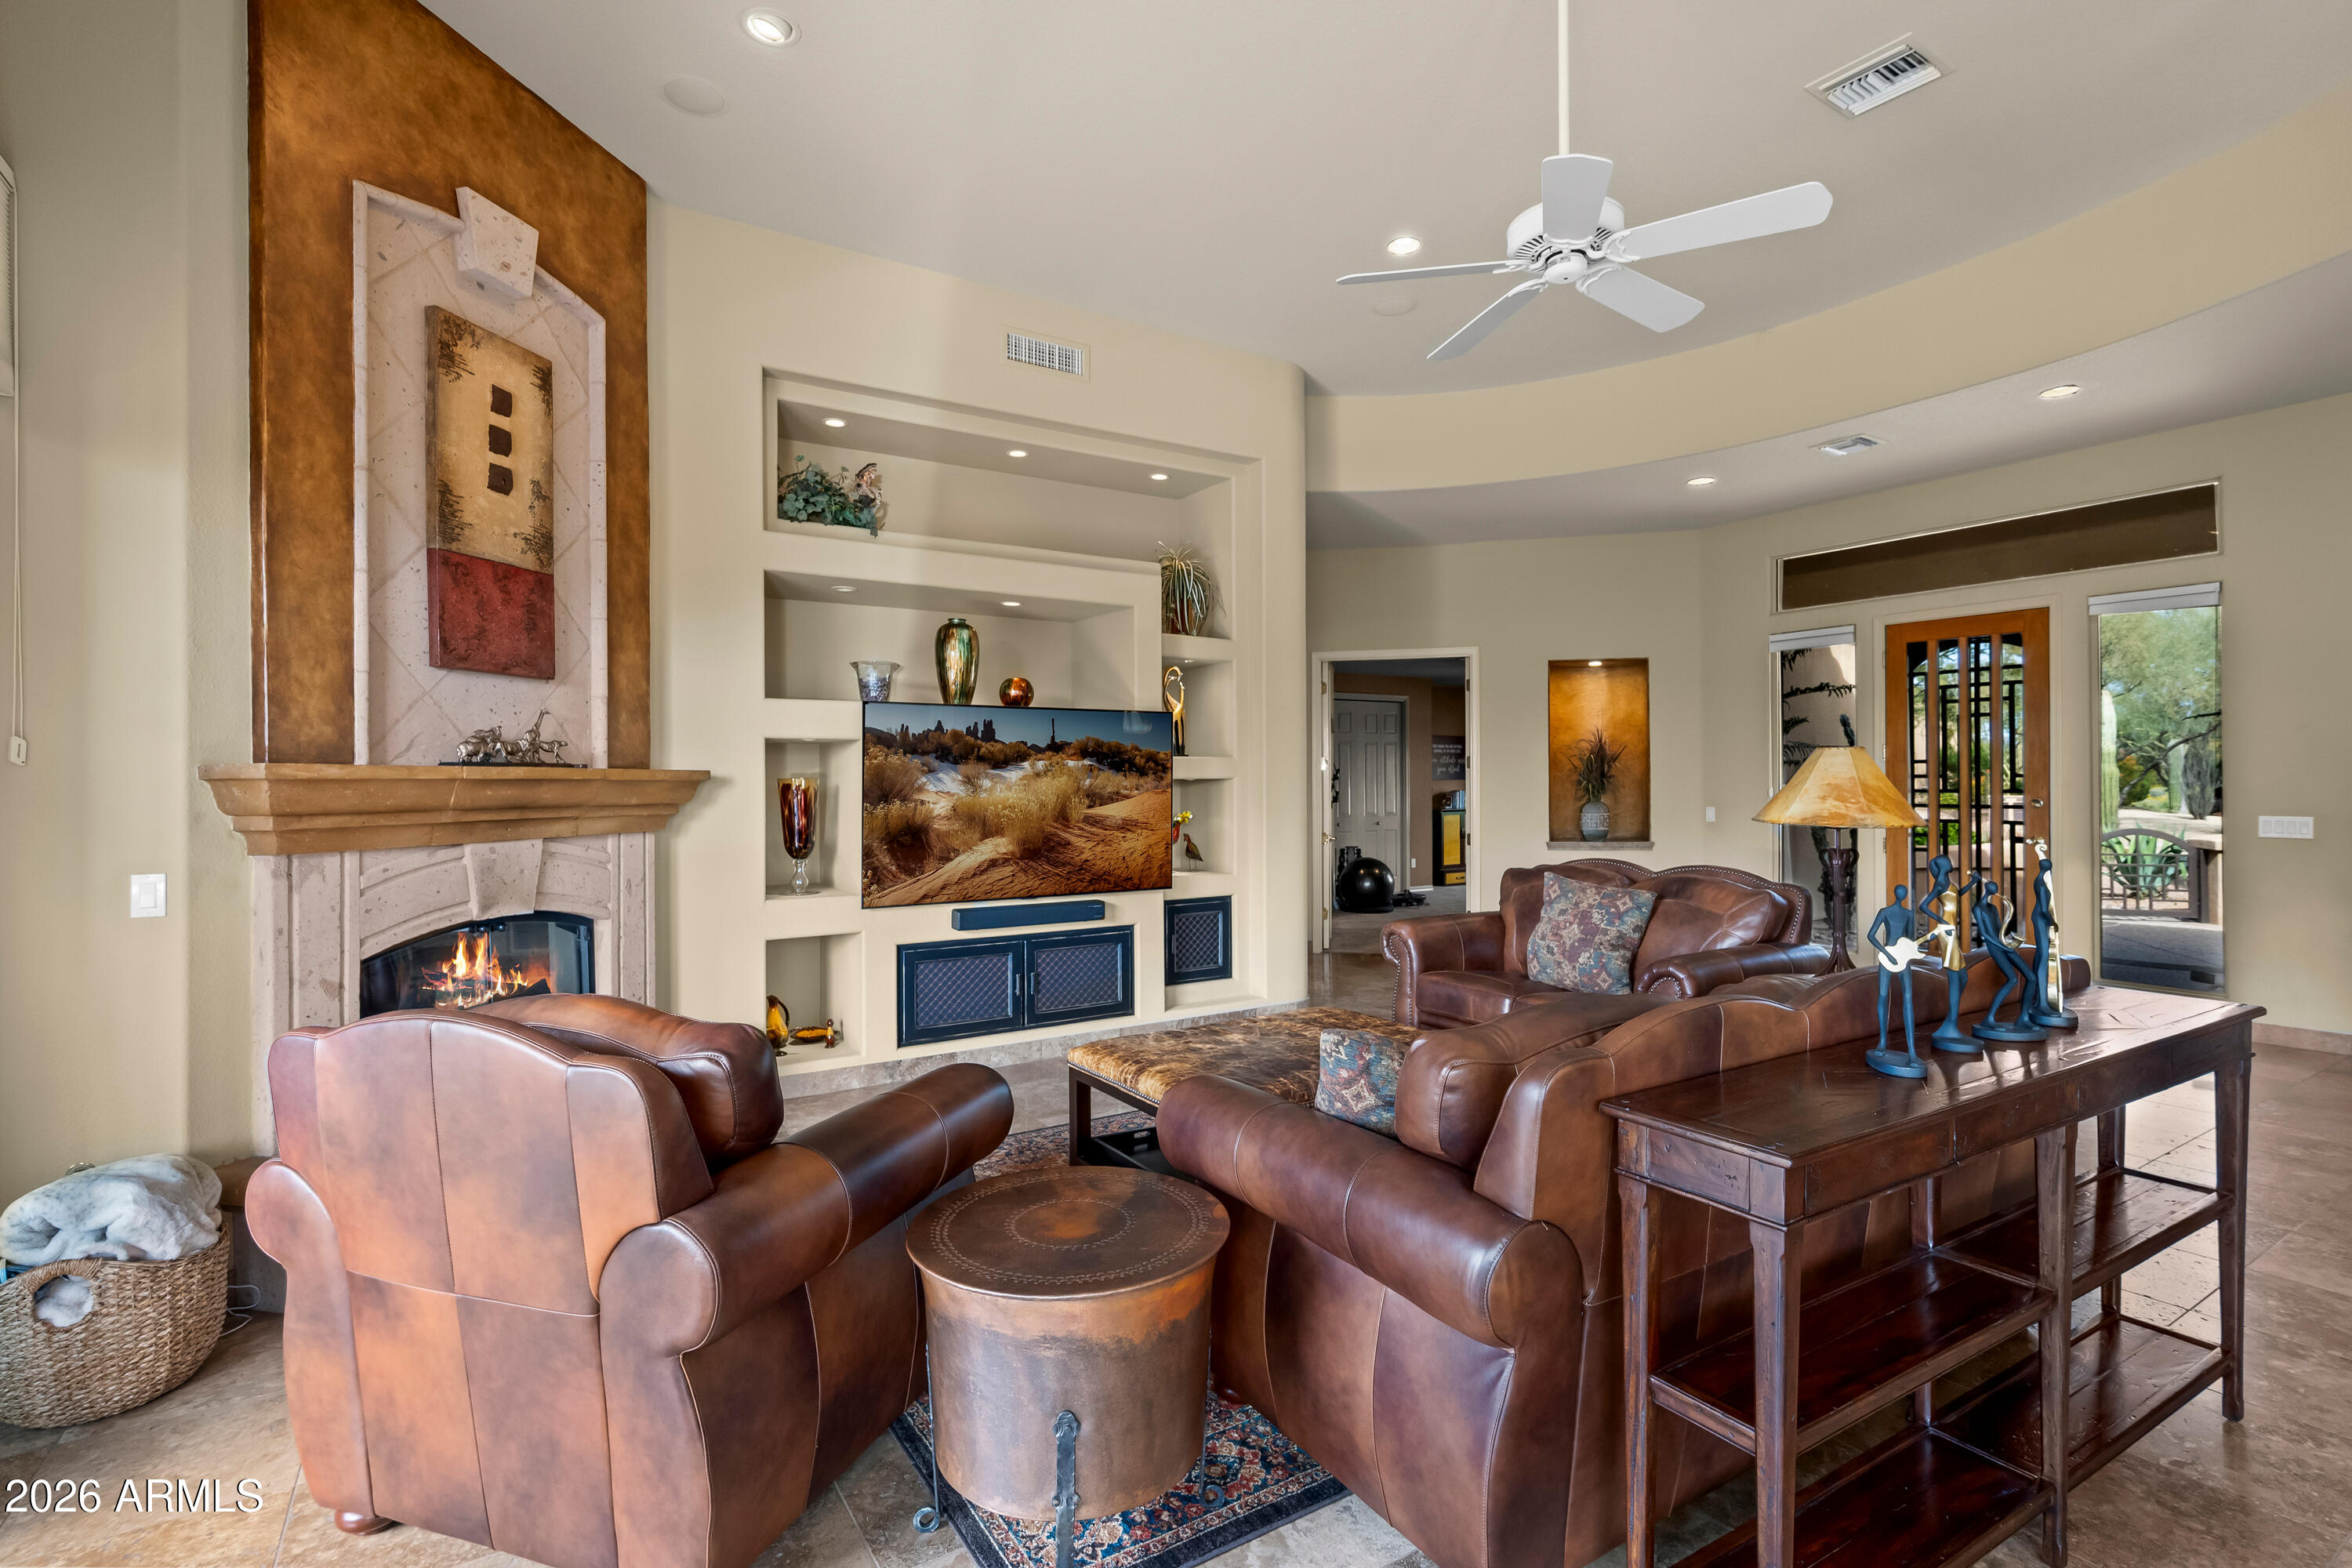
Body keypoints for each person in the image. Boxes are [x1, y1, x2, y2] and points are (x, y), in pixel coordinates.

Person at [1866, 885, 1926, 1076]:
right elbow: (1871, 935)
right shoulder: (1886, 912)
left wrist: (1901, 953)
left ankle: (1911, 1052)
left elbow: (1910, 940)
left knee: (1906, 999)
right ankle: (1882, 1043)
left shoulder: (1908, 914)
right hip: (1889, 958)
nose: (1903, 895)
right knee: (1884, 996)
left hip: (1900, 959)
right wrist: (1886, 954)